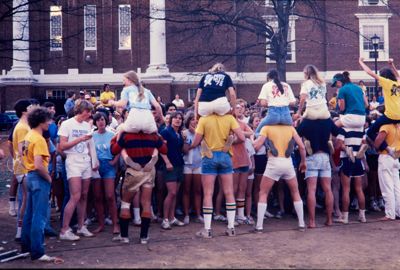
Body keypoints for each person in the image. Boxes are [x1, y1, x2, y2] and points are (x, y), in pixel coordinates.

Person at [191, 112, 245, 238]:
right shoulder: (229, 118)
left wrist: (195, 135)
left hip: (209, 156)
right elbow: (242, 138)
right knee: (229, 192)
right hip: (225, 155)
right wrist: (231, 141)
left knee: (208, 193)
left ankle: (207, 229)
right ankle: (231, 228)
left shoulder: (204, 119)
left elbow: (195, 143)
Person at [110, 126, 167, 244]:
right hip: (148, 170)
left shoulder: (127, 135)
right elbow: (164, 150)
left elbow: (114, 150)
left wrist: (119, 135)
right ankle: (144, 237)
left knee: (126, 203)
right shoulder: (152, 135)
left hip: (133, 171)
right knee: (146, 203)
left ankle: (124, 236)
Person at [20, 107, 63, 263]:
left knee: (29, 214)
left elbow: (23, 155)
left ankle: (26, 247)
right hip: (39, 178)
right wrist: (49, 179)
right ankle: (37, 252)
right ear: (41, 121)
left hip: (29, 177)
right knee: (39, 216)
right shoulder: (39, 139)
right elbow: (39, 165)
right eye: (48, 119)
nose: (50, 122)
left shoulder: (28, 136)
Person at [253, 123, 307, 232]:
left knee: (263, 192)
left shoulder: (267, 128)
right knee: (295, 192)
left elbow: (256, 146)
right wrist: (303, 161)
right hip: (288, 162)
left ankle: (259, 226)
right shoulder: (291, 128)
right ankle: (301, 224)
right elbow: (301, 146)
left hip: (273, 162)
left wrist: (252, 139)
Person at [331, 71, 368, 224]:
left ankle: (345, 218)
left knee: (332, 127)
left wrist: (341, 115)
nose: (335, 87)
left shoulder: (343, 89)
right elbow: (366, 104)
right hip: (361, 121)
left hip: (349, 120)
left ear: (340, 81)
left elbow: (341, 106)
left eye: (335, 84)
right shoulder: (359, 88)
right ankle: (362, 216)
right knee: (359, 189)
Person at [58, 100, 97, 241]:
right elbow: (62, 146)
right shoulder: (67, 124)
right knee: (75, 195)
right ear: (82, 110)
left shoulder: (87, 125)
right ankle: (64, 229)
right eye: (88, 111)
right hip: (73, 161)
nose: (90, 114)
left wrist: (94, 161)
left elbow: (90, 146)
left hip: (85, 160)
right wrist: (80, 139)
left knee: (84, 195)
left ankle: (81, 226)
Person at [297, 117, 344, 227]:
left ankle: (312, 222)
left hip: (311, 156)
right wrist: (337, 144)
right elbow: (341, 132)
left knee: (311, 190)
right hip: (325, 156)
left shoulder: (306, 121)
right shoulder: (327, 121)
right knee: (328, 189)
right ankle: (329, 220)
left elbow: (295, 135)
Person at [359, 58, 400, 155]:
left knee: (370, 132)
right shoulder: (398, 83)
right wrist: (392, 65)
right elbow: (398, 75)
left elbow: (369, 72)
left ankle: (387, 149)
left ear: (384, 77)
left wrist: (360, 62)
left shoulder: (386, 82)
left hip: (391, 115)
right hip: (399, 115)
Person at [12, 99, 39, 241]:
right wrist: (29, 167)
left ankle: (22, 230)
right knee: (27, 200)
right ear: (24, 111)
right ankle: (21, 231)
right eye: (29, 107)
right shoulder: (22, 127)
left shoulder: (24, 125)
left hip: (24, 167)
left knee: (27, 199)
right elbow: (23, 151)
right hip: (24, 168)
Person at [91, 112, 120, 234]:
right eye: (98, 120)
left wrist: (114, 161)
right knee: (97, 197)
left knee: (110, 196)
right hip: (96, 166)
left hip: (108, 165)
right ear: (95, 122)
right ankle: (101, 224)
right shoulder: (92, 135)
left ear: (106, 120)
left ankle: (115, 224)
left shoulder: (112, 134)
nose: (100, 122)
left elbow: (119, 148)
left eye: (102, 119)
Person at [160, 112, 186, 229]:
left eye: (180, 118)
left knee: (175, 194)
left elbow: (183, 150)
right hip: (170, 166)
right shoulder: (165, 132)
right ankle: (165, 219)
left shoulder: (179, 134)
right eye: (175, 118)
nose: (178, 120)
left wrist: (185, 140)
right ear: (171, 120)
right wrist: (167, 162)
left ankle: (172, 217)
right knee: (172, 193)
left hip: (179, 165)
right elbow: (161, 148)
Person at [255, 69, 296, 137]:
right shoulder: (286, 85)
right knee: (294, 134)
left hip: (273, 115)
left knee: (257, 132)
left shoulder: (266, 85)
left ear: (268, 77)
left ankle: (268, 146)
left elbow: (263, 103)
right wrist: (283, 102)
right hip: (286, 116)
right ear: (278, 76)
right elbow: (293, 102)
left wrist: (272, 103)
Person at [374, 123, 400, 220]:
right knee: (397, 187)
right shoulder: (398, 126)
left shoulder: (385, 126)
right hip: (395, 157)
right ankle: (398, 212)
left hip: (385, 157)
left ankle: (390, 214)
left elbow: (377, 143)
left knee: (387, 187)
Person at [182, 112, 203, 224]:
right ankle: (186, 215)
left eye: (196, 120)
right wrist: (192, 143)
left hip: (199, 164)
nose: (195, 122)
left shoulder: (201, 133)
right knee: (186, 190)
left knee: (198, 190)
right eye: (192, 119)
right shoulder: (184, 133)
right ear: (188, 121)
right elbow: (185, 150)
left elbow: (205, 147)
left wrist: (196, 134)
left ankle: (198, 214)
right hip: (187, 164)